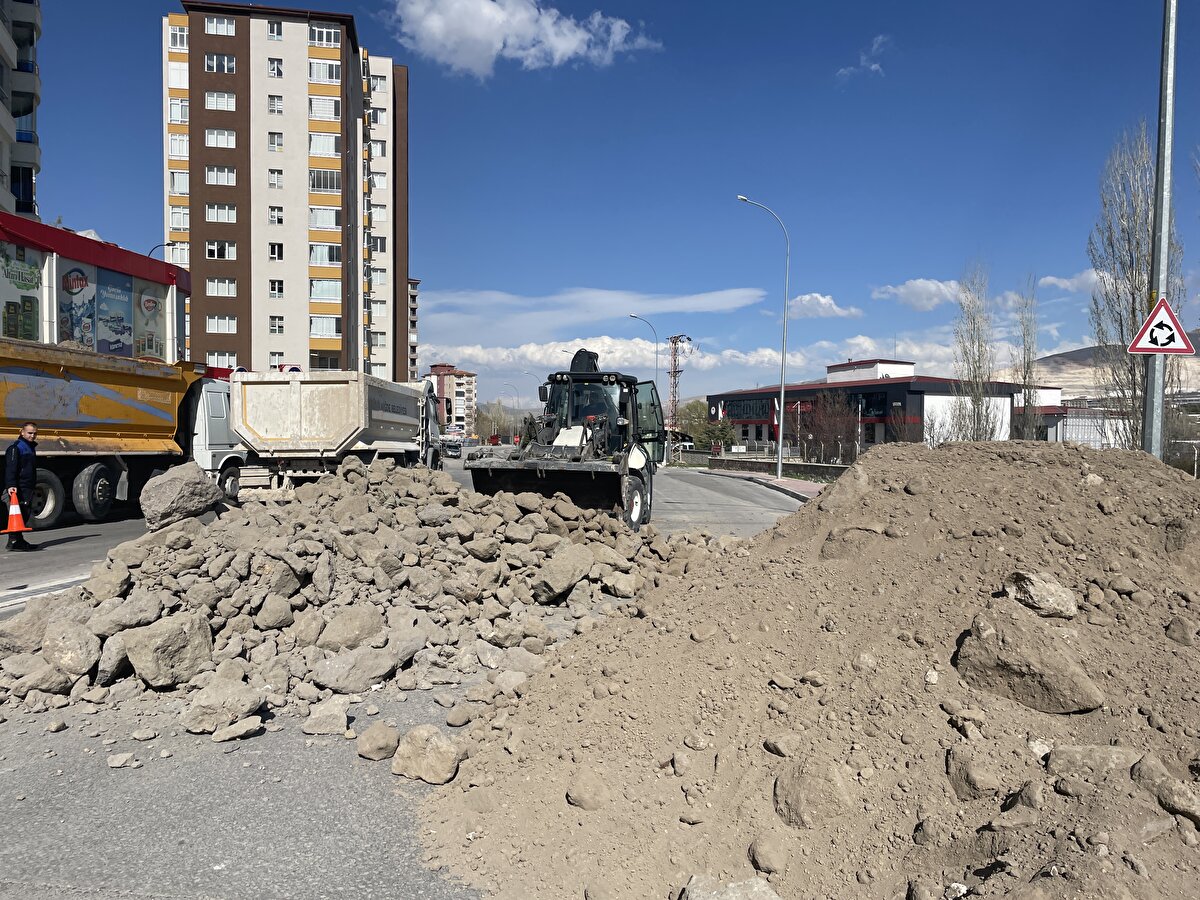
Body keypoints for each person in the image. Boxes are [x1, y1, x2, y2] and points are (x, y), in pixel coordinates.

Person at [4, 421, 40, 551]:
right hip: (20, 487)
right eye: (30, 433)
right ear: (22, 432)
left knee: (24, 513)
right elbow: (11, 468)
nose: (32, 436)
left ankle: (16, 540)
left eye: (35, 433)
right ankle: (14, 541)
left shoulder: (29, 447)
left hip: (28, 486)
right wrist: (11, 485)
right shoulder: (16, 448)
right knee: (19, 513)